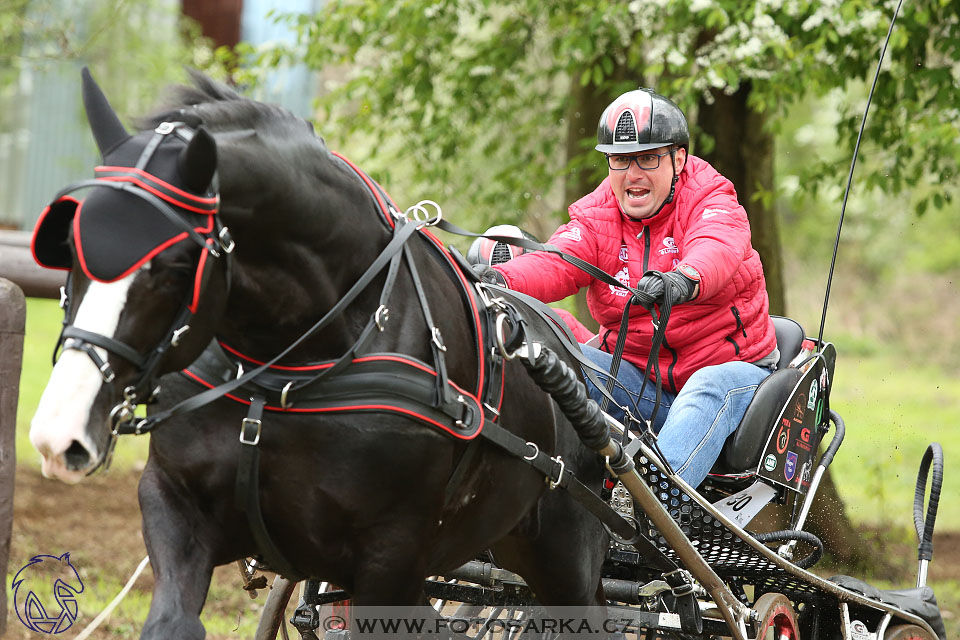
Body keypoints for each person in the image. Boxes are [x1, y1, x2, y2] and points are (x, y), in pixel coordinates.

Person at [474, 88, 779, 488]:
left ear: (679, 159)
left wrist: (683, 279)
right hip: (640, 382)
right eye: (620, 160)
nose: (632, 175)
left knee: (706, 388)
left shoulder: (711, 196)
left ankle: (655, 506)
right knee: (550, 358)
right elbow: (556, 261)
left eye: (648, 158)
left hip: (734, 375)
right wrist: (498, 280)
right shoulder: (597, 214)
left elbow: (717, 247)